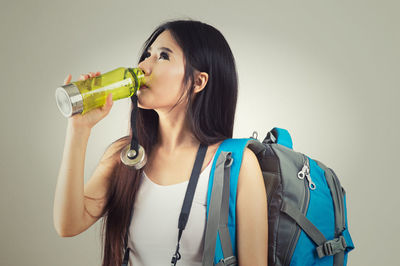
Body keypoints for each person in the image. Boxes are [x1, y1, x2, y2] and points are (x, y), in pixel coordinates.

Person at [53, 19, 268, 266]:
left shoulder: (236, 165)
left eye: (163, 56)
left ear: (198, 82)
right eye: (147, 55)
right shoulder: (124, 156)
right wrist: (79, 129)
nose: (143, 66)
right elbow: (67, 224)